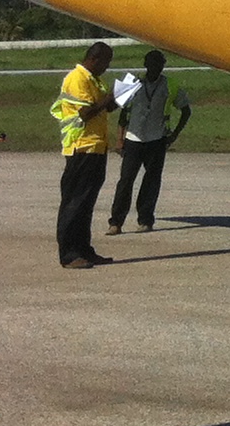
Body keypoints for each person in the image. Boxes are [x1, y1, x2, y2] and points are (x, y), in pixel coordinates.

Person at [107, 48, 191, 234]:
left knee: (151, 182)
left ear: (163, 66)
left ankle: (145, 220)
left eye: (158, 64)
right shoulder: (134, 84)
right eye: (151, 63)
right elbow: (123, 113)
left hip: (157, 139)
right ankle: (116, 222)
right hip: (133, 139)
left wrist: (174, 134)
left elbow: (186, 110)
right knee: (125, 181)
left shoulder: (170, 85)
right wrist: (119, 139)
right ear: (145, 64)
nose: (155, 67)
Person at [51, 41, 118, 268]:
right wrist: (107, 99)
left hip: (96, 146)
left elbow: (104, 107)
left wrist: (118, 98)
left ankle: (84, 250)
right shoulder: (77, 78)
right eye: (106, 62)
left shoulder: (95, 80)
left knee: (86, 203)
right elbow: (86, 113)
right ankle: (69, 254)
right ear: (95, 59)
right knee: (74, 202)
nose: (107, 67)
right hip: (81, 147)